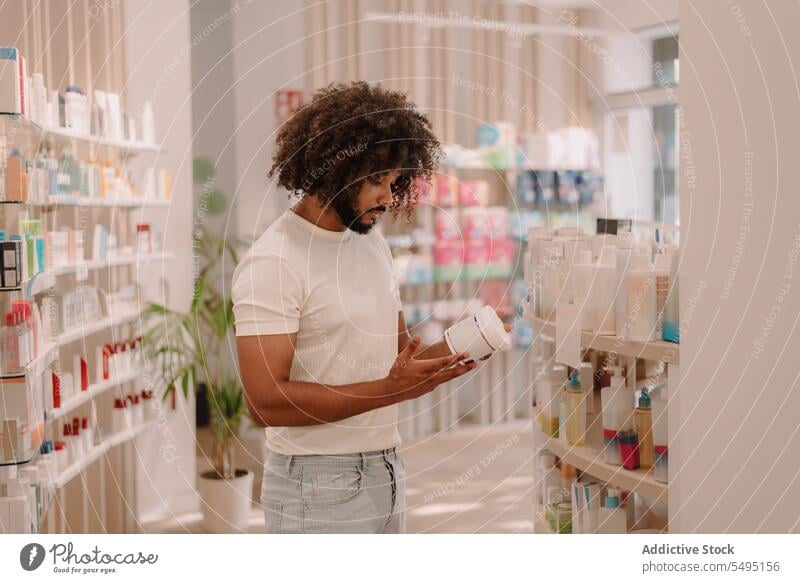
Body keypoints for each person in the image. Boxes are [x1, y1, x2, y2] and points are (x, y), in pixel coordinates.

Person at [232, 82, 500, 533]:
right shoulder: (275, 260)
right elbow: (264, 403)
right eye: (376, 180)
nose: (387, 196)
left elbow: (396, 362)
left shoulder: (372, 244)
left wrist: (463, 346)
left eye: (394, 181)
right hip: (315, 483)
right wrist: (396, 390)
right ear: (330, 170)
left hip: (385, 469)